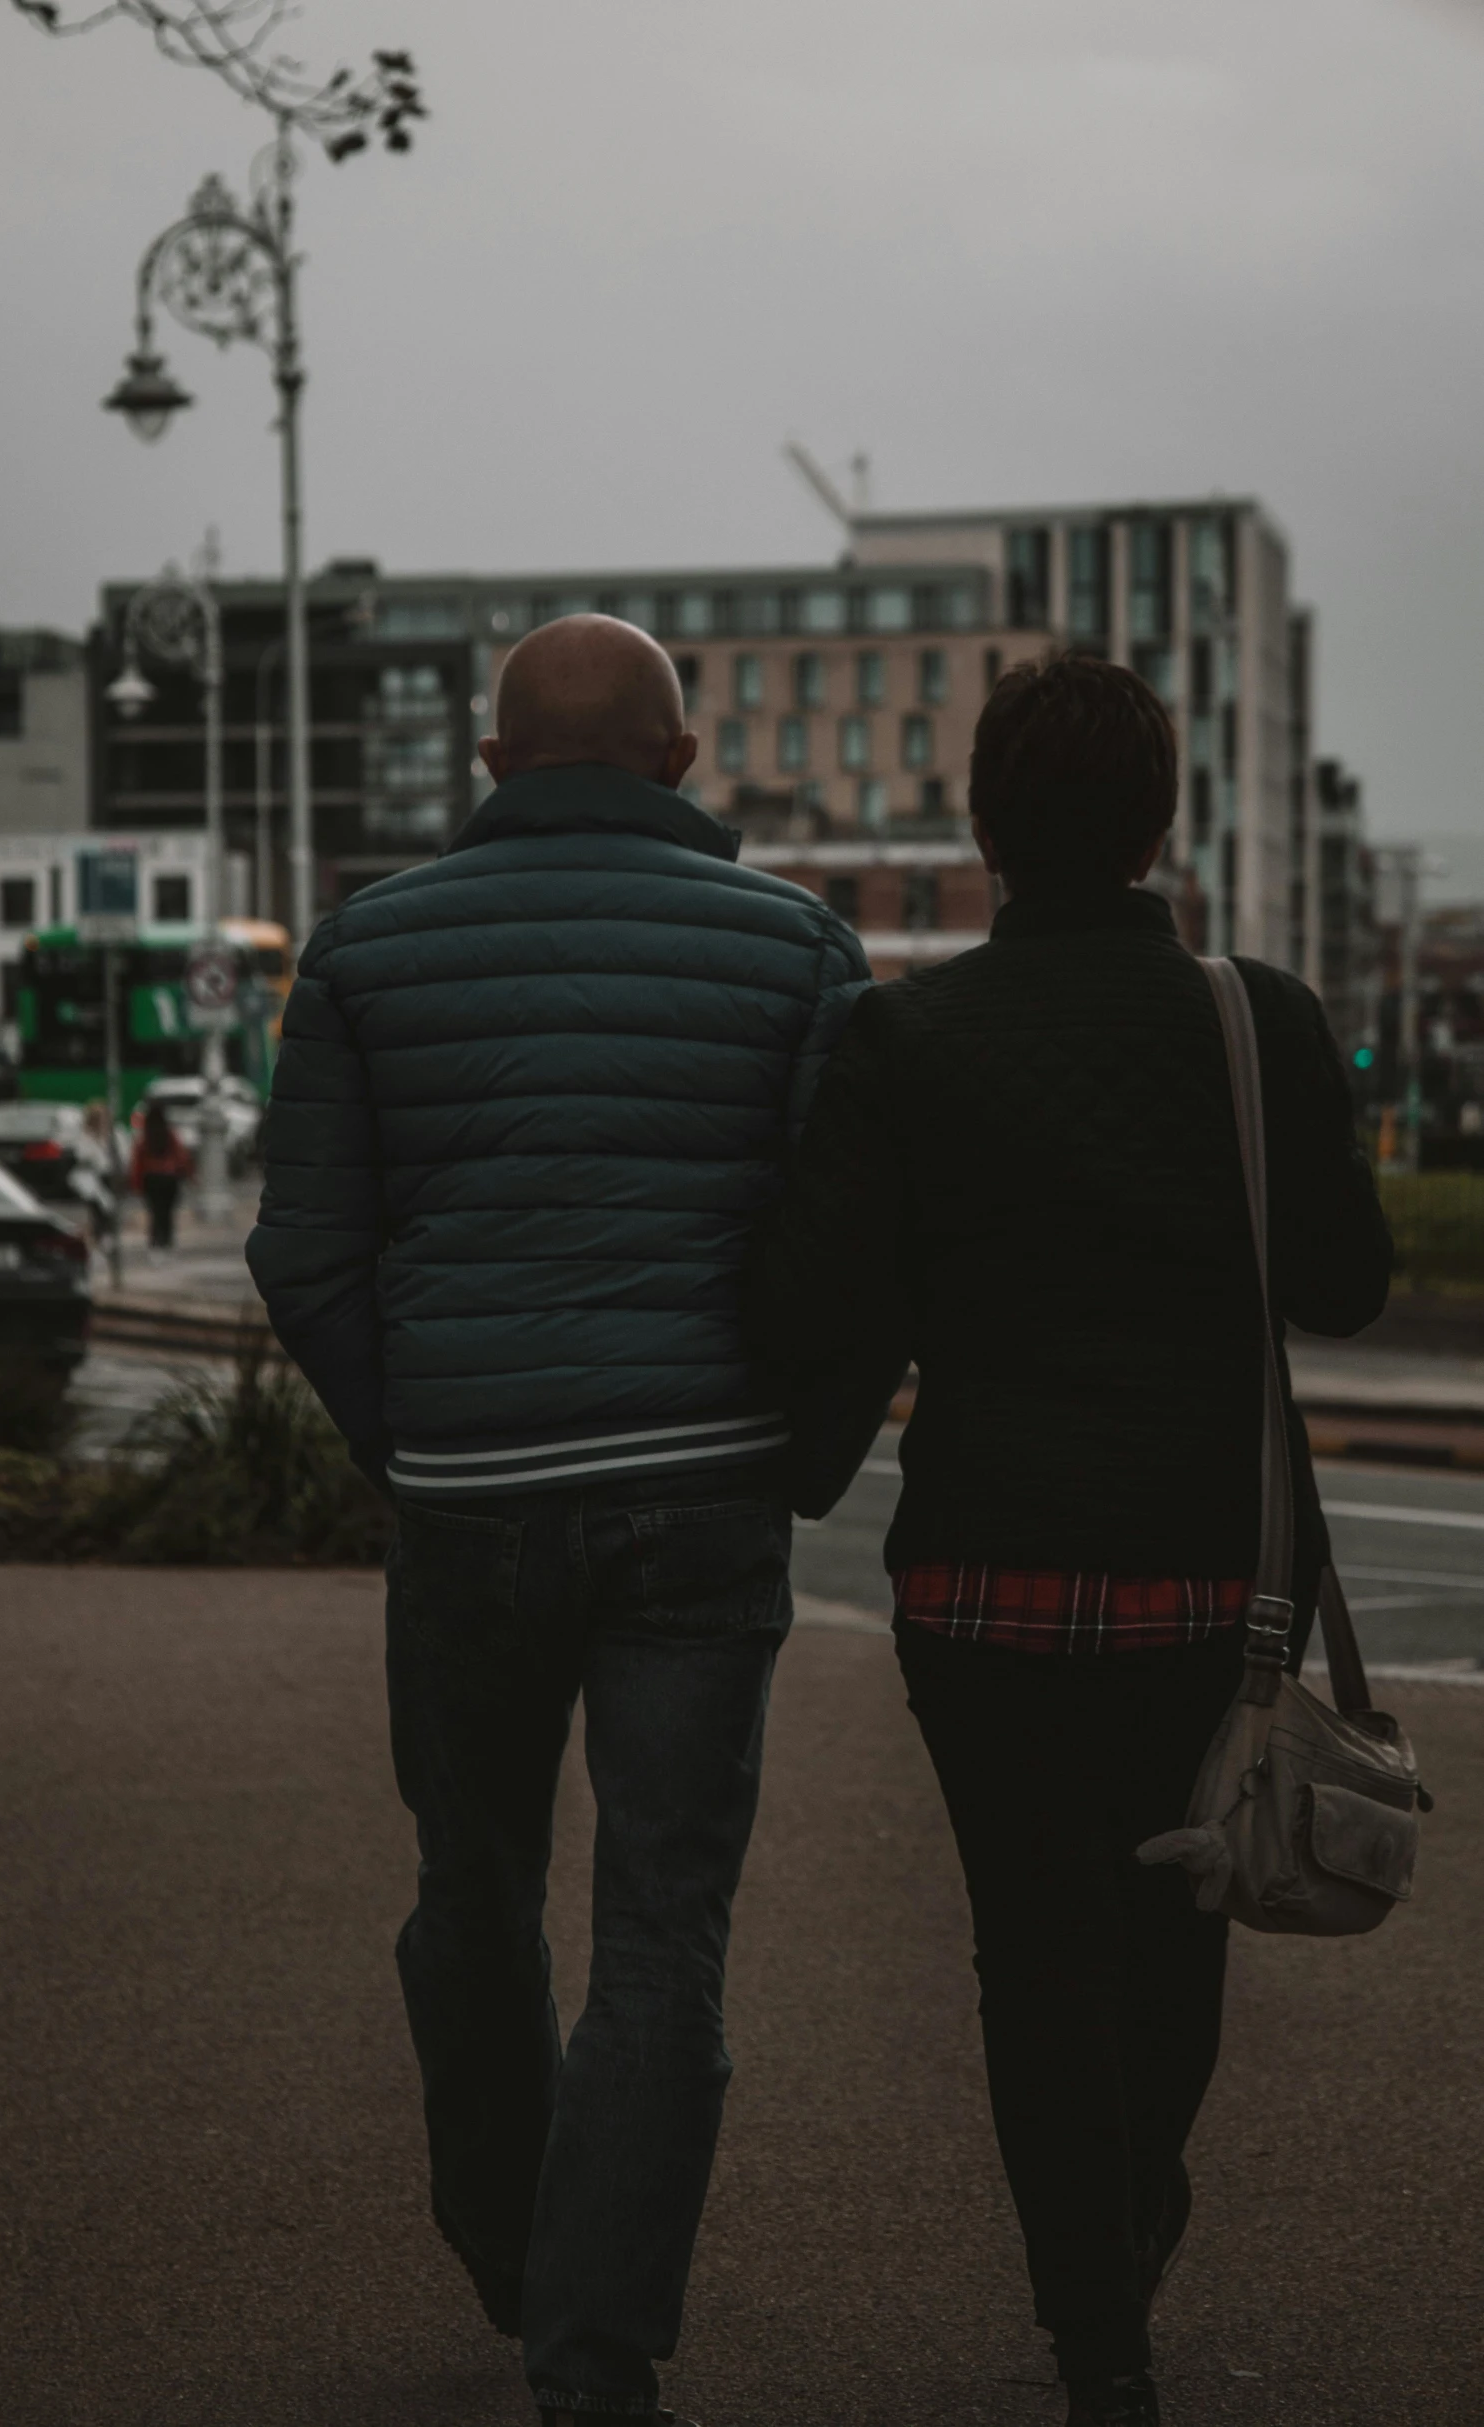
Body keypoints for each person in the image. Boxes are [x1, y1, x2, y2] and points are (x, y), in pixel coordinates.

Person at [749, 654, 1392, 2427]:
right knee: (1174, 1925)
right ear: (1159, 823)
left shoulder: (907, 1033)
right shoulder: (1252, 1017)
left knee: (1027, 1943)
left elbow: (825, 1306)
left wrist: (785, 1462)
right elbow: (1343, 1286)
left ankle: (1092, 2325)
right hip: (1210, 1577)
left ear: (980, 827)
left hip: (985, 1576)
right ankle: (1134, 2209)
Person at [246, 614, 868, 2426]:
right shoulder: (799, 947)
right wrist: (784, 1455)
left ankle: (510, 2236)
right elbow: (847, 1262)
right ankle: (593, 2353)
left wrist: (416, 1437)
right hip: (699, 1499)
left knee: (472, 1888)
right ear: (681, 764)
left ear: (495, 769)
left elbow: (304, 1250)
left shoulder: (364, 948)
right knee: (664, 1930)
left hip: (467, 1503)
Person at [130, 1099, 193, 1251]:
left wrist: (136, 1183)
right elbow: (181, 1156)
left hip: (151, 1178)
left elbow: (138, 1161)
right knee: (167, 1211)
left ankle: (156, 1240)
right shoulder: (169, 1134)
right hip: (169, 1178)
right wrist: (188, 1174)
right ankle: (167, 1239)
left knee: (155, 1211)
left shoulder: (145, 1137)